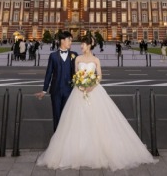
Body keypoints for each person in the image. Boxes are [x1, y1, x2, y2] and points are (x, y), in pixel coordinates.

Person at [36, 35, 157, 171]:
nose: (79, 45)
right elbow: (71, 74)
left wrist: (91, 85)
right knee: (70, 120)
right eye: (74, 41)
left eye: (82, 44)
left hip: (92, 90)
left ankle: (93, 148)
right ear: (62, 41)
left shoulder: (86, 57)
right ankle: (65, 148)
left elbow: (99, 76)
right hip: (75, 91)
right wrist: (76, 84)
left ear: (89, 45)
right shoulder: (74, 58)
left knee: (95, 120)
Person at [35, 31, 77, 131]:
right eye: (69, 40)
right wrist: (44, 90)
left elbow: (78, 72)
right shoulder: (53, 56)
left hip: (69, 90)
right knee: (56, 116)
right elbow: (49, 73)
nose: (71, 42)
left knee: (67, 117)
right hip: (56, 91)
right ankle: (56, 139)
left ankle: (66, 139)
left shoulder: (74, 55)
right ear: (62, 41)